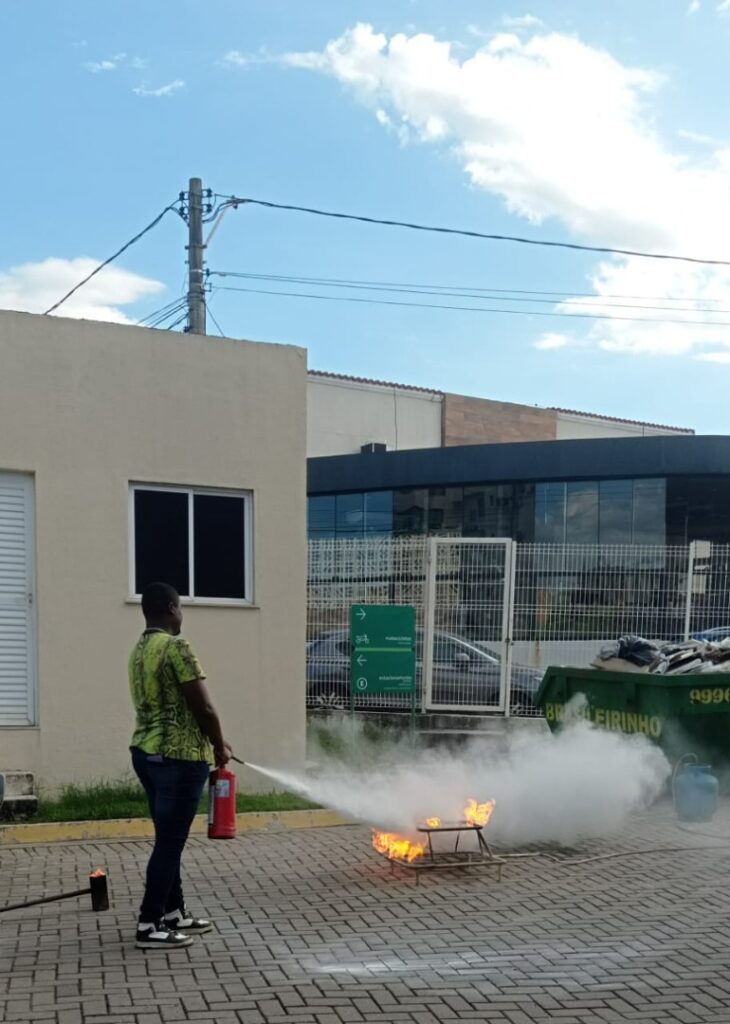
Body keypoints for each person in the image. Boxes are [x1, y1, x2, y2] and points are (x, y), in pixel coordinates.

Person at [129, 581, 232, 950]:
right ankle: (149, 923)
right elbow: (202, 706)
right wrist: (218, 745)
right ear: (172, 609)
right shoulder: (176, 647)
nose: (181, 614)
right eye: (180, 608)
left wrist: (214, 740)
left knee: (167, 839)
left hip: (145, 753)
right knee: (170, 843)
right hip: (178, 759)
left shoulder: (139, 651)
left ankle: (173, 913)